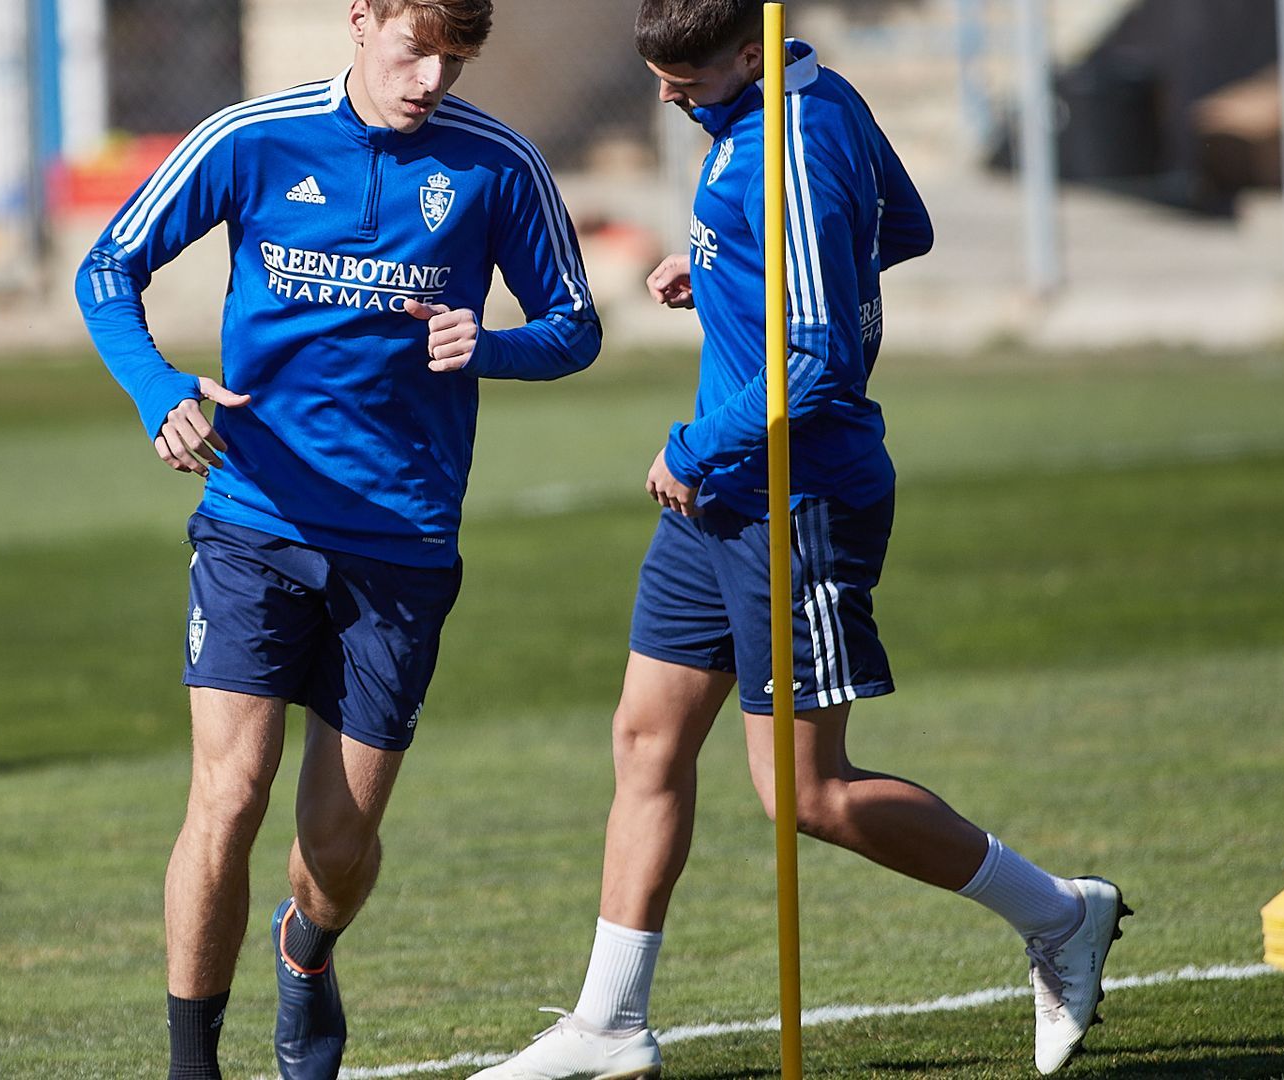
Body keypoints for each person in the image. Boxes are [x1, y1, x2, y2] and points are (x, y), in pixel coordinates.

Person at [468, 2, 1126, 1077]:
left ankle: (1059, 914)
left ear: (748, 49)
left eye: (686, 77)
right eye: (658, 75)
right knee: (645, 738)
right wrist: (730, 272)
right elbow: (898, 227)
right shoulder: (782, 103)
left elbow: (815, 364)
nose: (669, 97)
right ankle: (611, 1024)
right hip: (722, 496)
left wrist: (690, 441)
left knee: (806, 794)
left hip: (794, 496)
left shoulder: (796, 142)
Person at [75, 2, 600, 1077]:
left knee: (338, 850)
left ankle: (307, 951)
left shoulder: (498, 165)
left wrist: (490, 345)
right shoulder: (247, 139)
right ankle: (192, 1063)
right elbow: (105, 271)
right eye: (415, 48)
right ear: (360, 20)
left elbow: (576, 326)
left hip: (402, 544)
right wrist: (157, 388)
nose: (431, 78)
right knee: (228, 793)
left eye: (454, 59)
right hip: (254, 520)